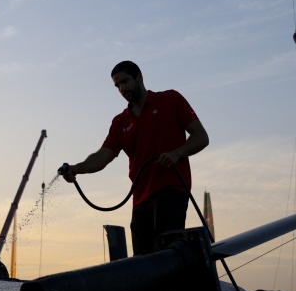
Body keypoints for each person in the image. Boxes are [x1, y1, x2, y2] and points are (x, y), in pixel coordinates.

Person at [59, 60, 209, 255]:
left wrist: (176, 153)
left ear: (139, 76)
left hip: (171, 189)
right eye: (117, 85)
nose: (122, 89)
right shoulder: (120, 121)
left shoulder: (170, 100)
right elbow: (102, 156)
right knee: (142, 262)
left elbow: (201, 137)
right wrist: (75, 168)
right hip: (140, 199)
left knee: (166, 255)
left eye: (125, 81)